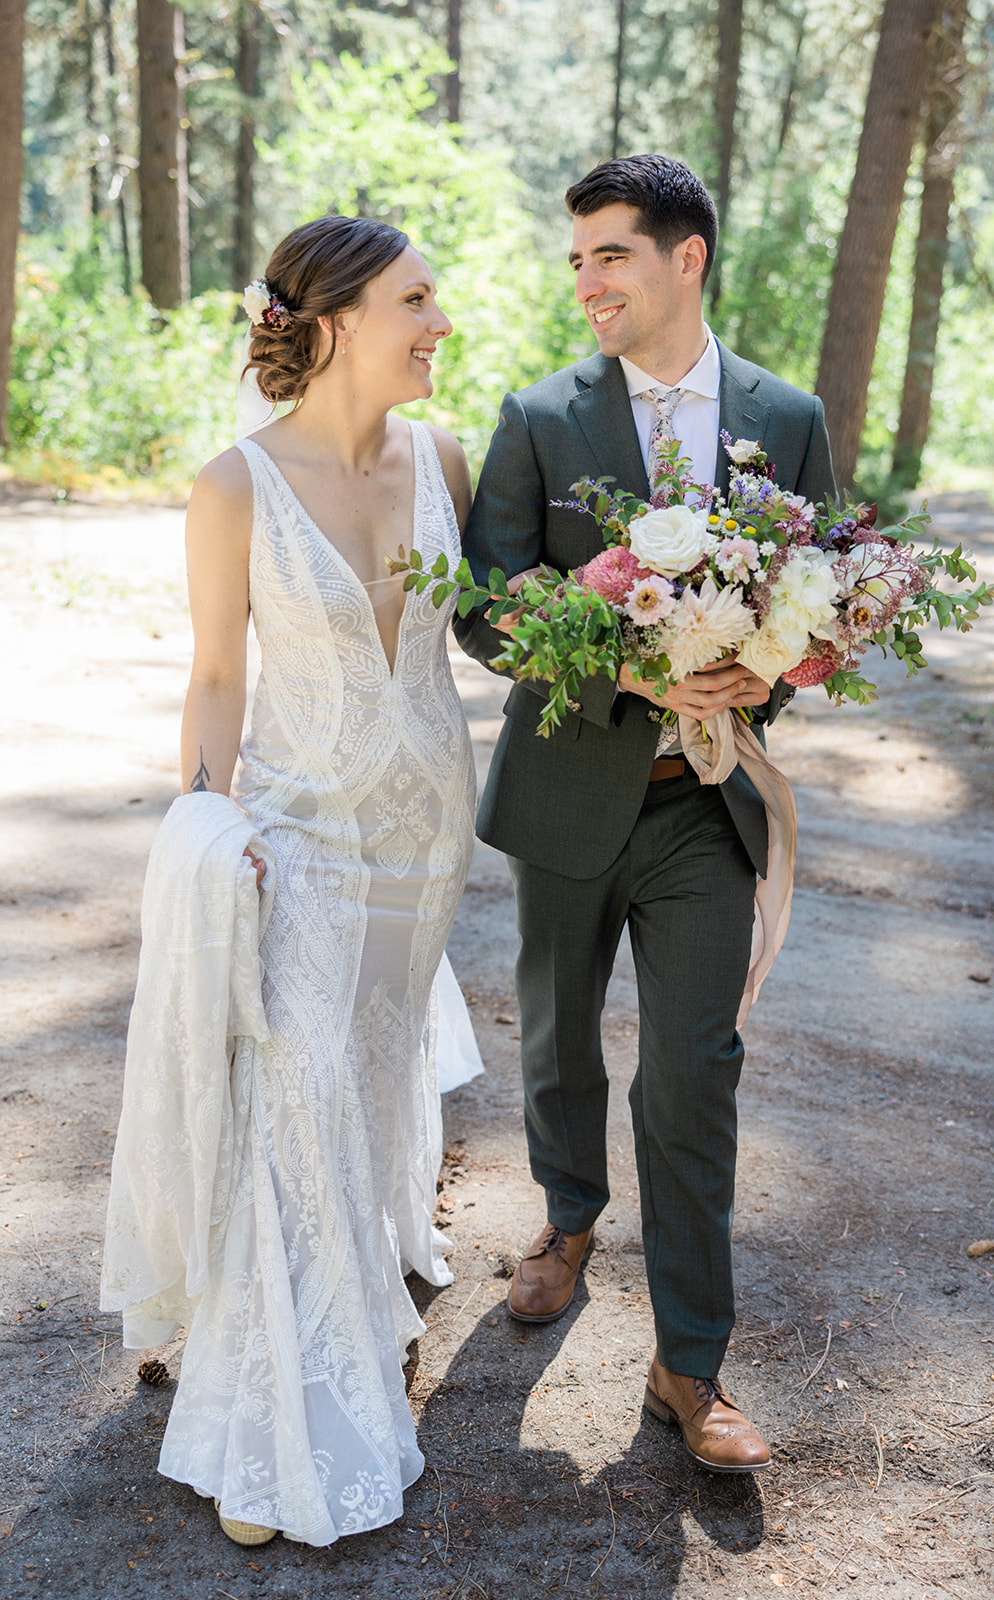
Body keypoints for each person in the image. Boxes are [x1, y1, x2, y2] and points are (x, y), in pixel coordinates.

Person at [454, 155, 835, 1473]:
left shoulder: (786, 417)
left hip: (705, 807)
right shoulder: (539, 417)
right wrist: (611, 662)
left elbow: (824, 594)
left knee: (694, 1071)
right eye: (576, 261)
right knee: (560, 1039)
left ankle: (691, 1365)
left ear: (688, 259)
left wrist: (771, 670)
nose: (588, 282)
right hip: (569, 786)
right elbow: (485, 603)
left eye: (610, 255)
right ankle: (565, 1220)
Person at [102, 215, 478, 1546]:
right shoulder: (233, 488)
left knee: (367, 1081)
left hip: (428, 837)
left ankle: (362, 1278)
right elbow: (215, 675)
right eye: (417, 299)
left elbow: (495, 628)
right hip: (299, 838)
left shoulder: (445, 456)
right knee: (297, 1094)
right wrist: (208, 828)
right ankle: (282, 1416)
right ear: (333, 319)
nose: (442, 322)